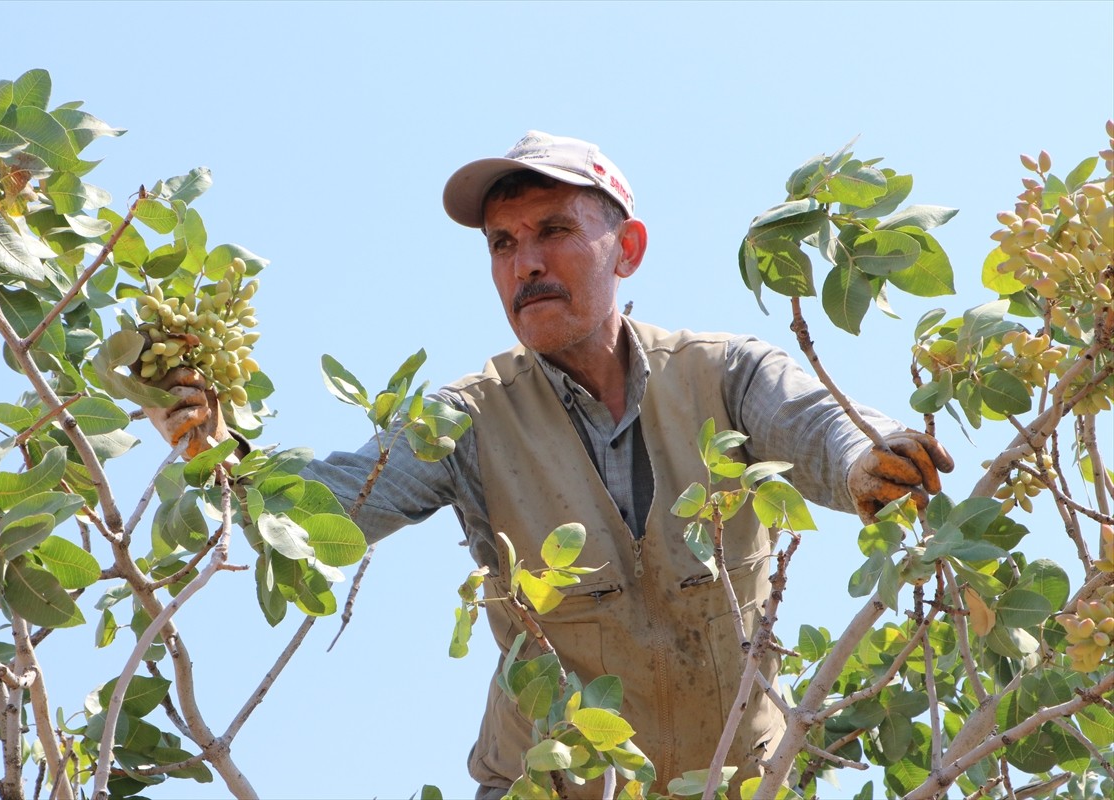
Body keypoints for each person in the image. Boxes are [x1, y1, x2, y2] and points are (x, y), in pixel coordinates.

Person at [146, 131, 953, 799]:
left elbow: (816, 422)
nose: (524, 262)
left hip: (739, 783)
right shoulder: (464, 418)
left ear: (626, 249)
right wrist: (223, 457)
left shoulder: (723, 372)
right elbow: (328, 510)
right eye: (503, 244)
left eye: (554, 231)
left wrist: (867, 460)